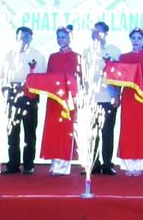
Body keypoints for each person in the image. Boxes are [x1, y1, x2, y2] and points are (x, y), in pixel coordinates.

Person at [3, 26, 47, 175]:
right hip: (12, 96)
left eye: (27, 36)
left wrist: (26, 86)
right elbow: (3, 75)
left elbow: (41, 76)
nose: (24, 39)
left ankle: (28, 165)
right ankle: (13, 165)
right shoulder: (9, 55)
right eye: (21, 36)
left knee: (30, 132)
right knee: (12, 132)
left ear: (31, 38)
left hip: (30, 95)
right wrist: (7, 90)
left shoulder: (38, 55)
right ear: (16, 38)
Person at [41, 25, 80, 176]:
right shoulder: (52, 56)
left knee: (65, 130)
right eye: (58, 37)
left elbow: (80, 79)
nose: (60, 40)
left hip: (69, 99)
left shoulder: (77, 57)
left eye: (63, 37)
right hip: (54, 98)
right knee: (53, 129)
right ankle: (54, 163)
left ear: (70, 38)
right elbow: (48, 76)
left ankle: (63, 166)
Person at [118, 27, 143, 176]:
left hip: (142, 97)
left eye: (139, 38)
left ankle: (141, 163)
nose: (136, 41)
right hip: (127, 95)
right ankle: (128, 164)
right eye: (133, 38)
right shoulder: (123, 57)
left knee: (141, 128)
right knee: (127, 129)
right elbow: (119, 78)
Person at [87, 21, 121, 175]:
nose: (95, 34)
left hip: (109, 97)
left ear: (106, 33)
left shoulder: (114, 51)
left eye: (98, 31)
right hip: (91, 98)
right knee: (92, 133)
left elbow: (120, 76)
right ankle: (93, 164)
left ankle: (107, 164)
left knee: (107, 132)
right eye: (93, 31)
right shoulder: (86, 51)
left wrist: (117, 95)